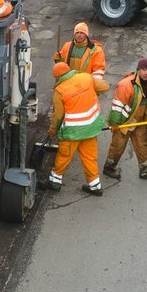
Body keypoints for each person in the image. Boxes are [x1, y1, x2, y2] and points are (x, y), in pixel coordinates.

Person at [103, 58, 147, 181]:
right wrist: (114, 123)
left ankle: (146, 171)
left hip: (142, 120)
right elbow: (117, 105)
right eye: (143, 69)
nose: (146, 73)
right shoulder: (126, 84)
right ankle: (109, 168)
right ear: (138, 70)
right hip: (125, 121)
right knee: (117, 145)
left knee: (143, 145)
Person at [46, 62, 110, 196]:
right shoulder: (86, 77)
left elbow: (57, 117)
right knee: (90, 158)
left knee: (64, 156)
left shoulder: (59, 91)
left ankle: (54, 182)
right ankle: (95, 186)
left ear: (57, 77)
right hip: (90, 129)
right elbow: (104, 87)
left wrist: (52, 132)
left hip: (72, 133)